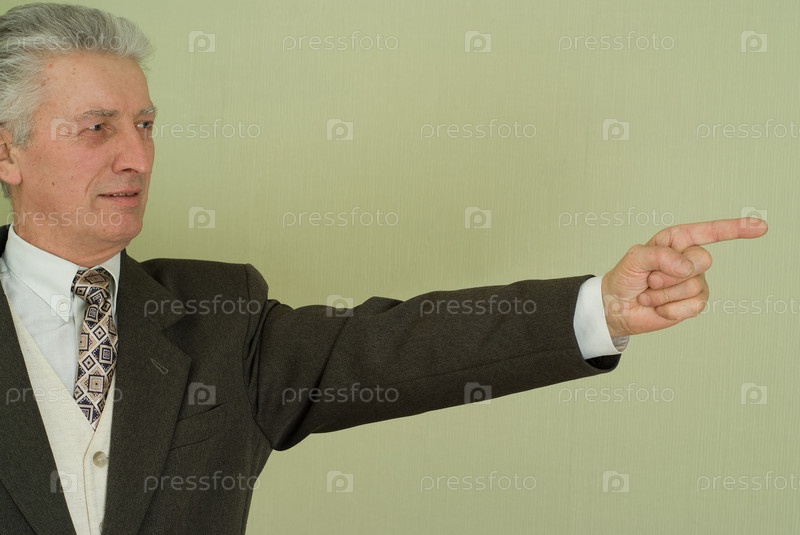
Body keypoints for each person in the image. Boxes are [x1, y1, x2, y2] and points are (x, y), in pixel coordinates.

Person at [0, 3, 768, 535]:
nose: (136, 156)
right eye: (97, 128)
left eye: (145, 125)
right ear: (8, 151)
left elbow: (395, 347)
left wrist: (603, 307)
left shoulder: (220, 312)